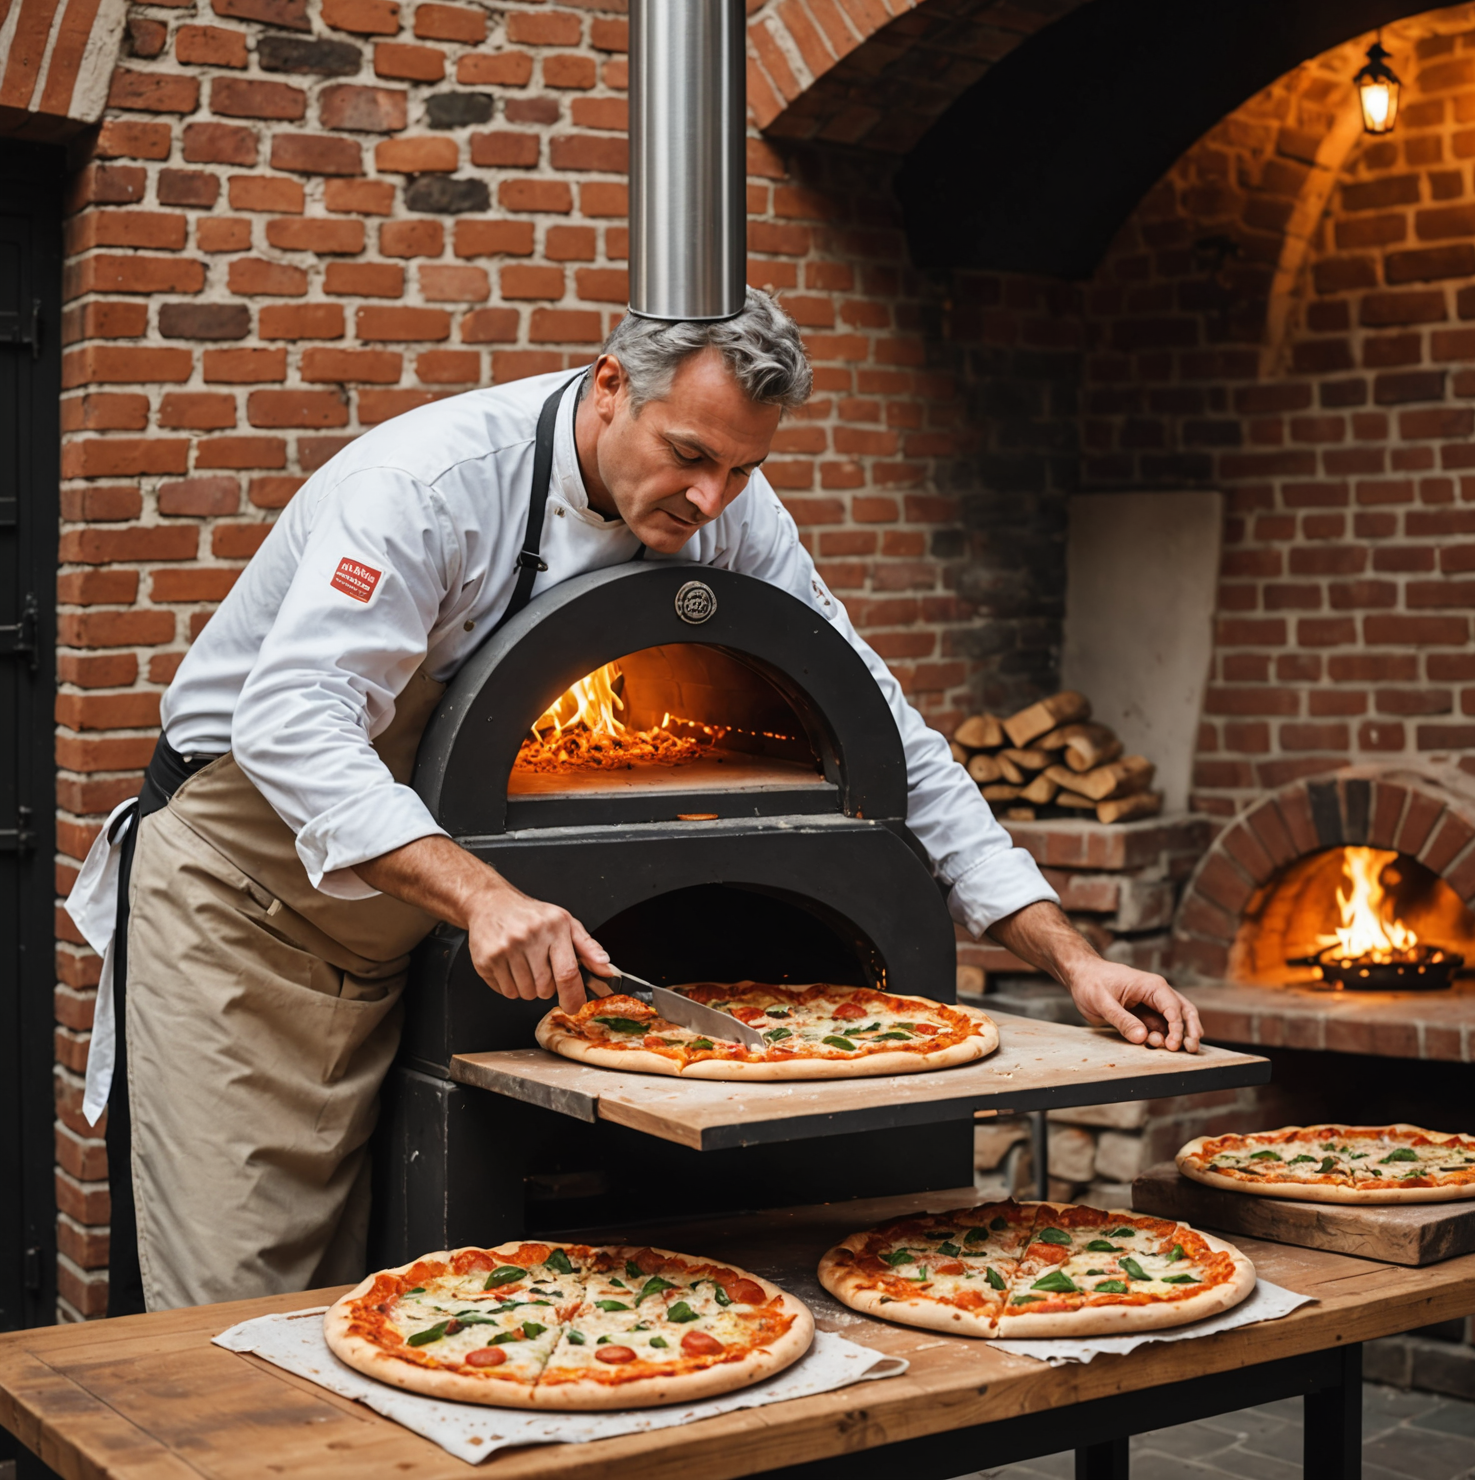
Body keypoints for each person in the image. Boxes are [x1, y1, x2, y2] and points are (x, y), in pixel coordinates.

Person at [69, 288, 1202, 1314]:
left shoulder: (731, 513)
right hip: (248, 922)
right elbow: (293, 724)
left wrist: (1070, 959)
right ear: (610, 385)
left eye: (745, 470)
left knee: (377, 1293)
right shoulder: (427, 488)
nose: (711, 500)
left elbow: (890, 735)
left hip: (402, 928)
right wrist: (481, 898)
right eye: (689, 455)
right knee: (237, 1299)